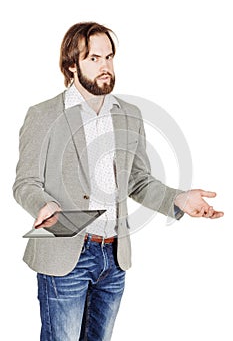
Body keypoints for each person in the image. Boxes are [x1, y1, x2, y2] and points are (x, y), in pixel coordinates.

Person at [13, 22, 224, 341]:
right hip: (66, 255)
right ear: (72, 66)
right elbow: (25, 182)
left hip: (114, 257)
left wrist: (178, 199)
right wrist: (43, 204)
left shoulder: (129, 114)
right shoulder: (43, 115)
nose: (105, 67)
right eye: (94, 59)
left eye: (109, 57)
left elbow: (137, 181)